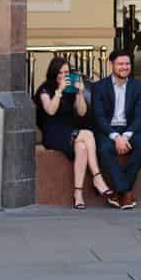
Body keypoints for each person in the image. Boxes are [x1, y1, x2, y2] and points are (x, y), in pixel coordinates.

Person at [33, 55, 113, 209]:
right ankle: (97, 177)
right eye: (60, 73)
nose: (64, 76)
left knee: (82, 148)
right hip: (53, 133)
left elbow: (81, 112)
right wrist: (59, 91)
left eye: (66, 72)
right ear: (54, 73)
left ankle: (78, 194)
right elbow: (50, 111)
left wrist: (80, 93)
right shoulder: (45, 89)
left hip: (70, 131)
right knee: (88, 134)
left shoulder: (71, 89)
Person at [89, 48, 141, 208]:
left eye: (127, 64)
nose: (124, 67)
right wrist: (116, 137)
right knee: (104, 149)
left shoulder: (137, 86)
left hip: (129, 129)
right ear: (111, 65)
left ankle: (119, 190)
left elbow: (139, 115)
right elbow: (99, 117)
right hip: (107, 129)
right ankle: (126, 191)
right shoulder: (99, 87)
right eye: (120, 64)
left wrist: (126, 136)